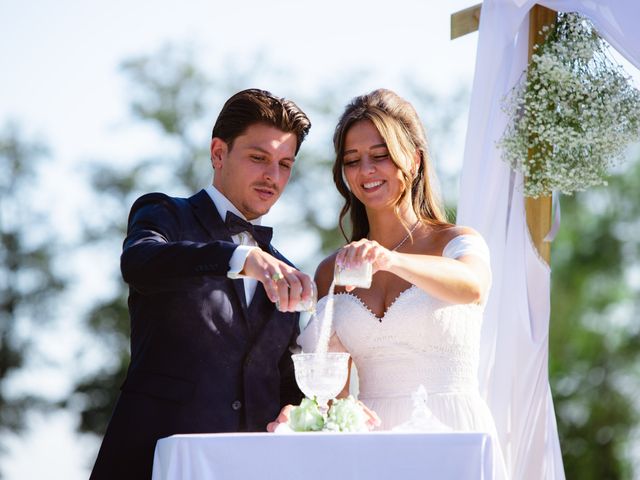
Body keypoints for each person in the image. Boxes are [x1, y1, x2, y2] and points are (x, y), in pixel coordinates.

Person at [90, 88, 313, 479]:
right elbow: (139, 263)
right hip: (154, 461)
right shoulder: (165, 214)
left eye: (285, 164)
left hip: (249, 469)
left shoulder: (286, 272)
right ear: (218, 153)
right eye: (259, 158)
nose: (272, 177)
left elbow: (285, 389)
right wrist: (238, 258)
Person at [295, 88, 508, 477]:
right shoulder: (332, 271)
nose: (366, 171)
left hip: (453, 436)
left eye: (380, 156)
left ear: (413, 159)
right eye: (352, 161)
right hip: (370, 449)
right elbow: (331, 388)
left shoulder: (457, 243)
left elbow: (472, 285)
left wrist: (393, 260)